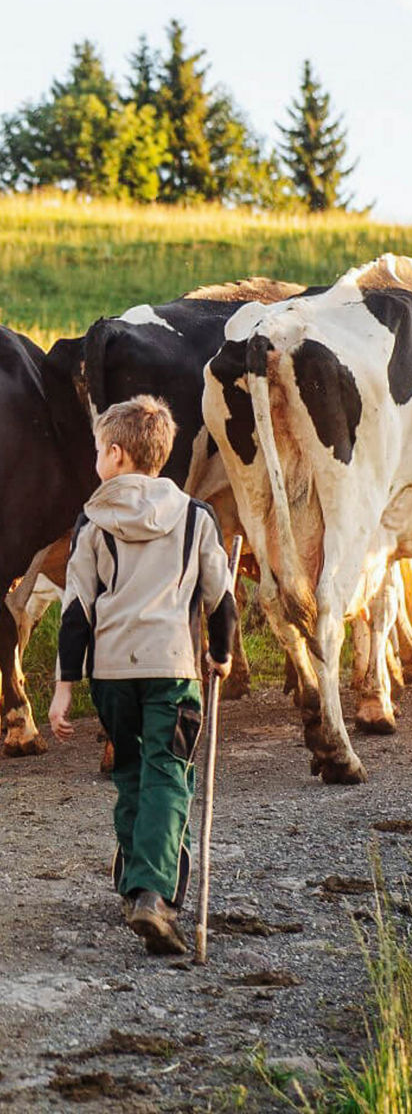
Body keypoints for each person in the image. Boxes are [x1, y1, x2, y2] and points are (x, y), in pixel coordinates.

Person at [48, 394, 237, 956]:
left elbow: (77, 611)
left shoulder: (92, 522)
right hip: (173, 669)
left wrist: (64, 688)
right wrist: (222, 653)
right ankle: (152, 893)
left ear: (114, 453)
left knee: (130, 770)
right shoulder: (195, 516)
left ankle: (133, 876)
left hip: (110, 673)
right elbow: (220, 597)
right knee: (168, 773)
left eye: (97, 453)